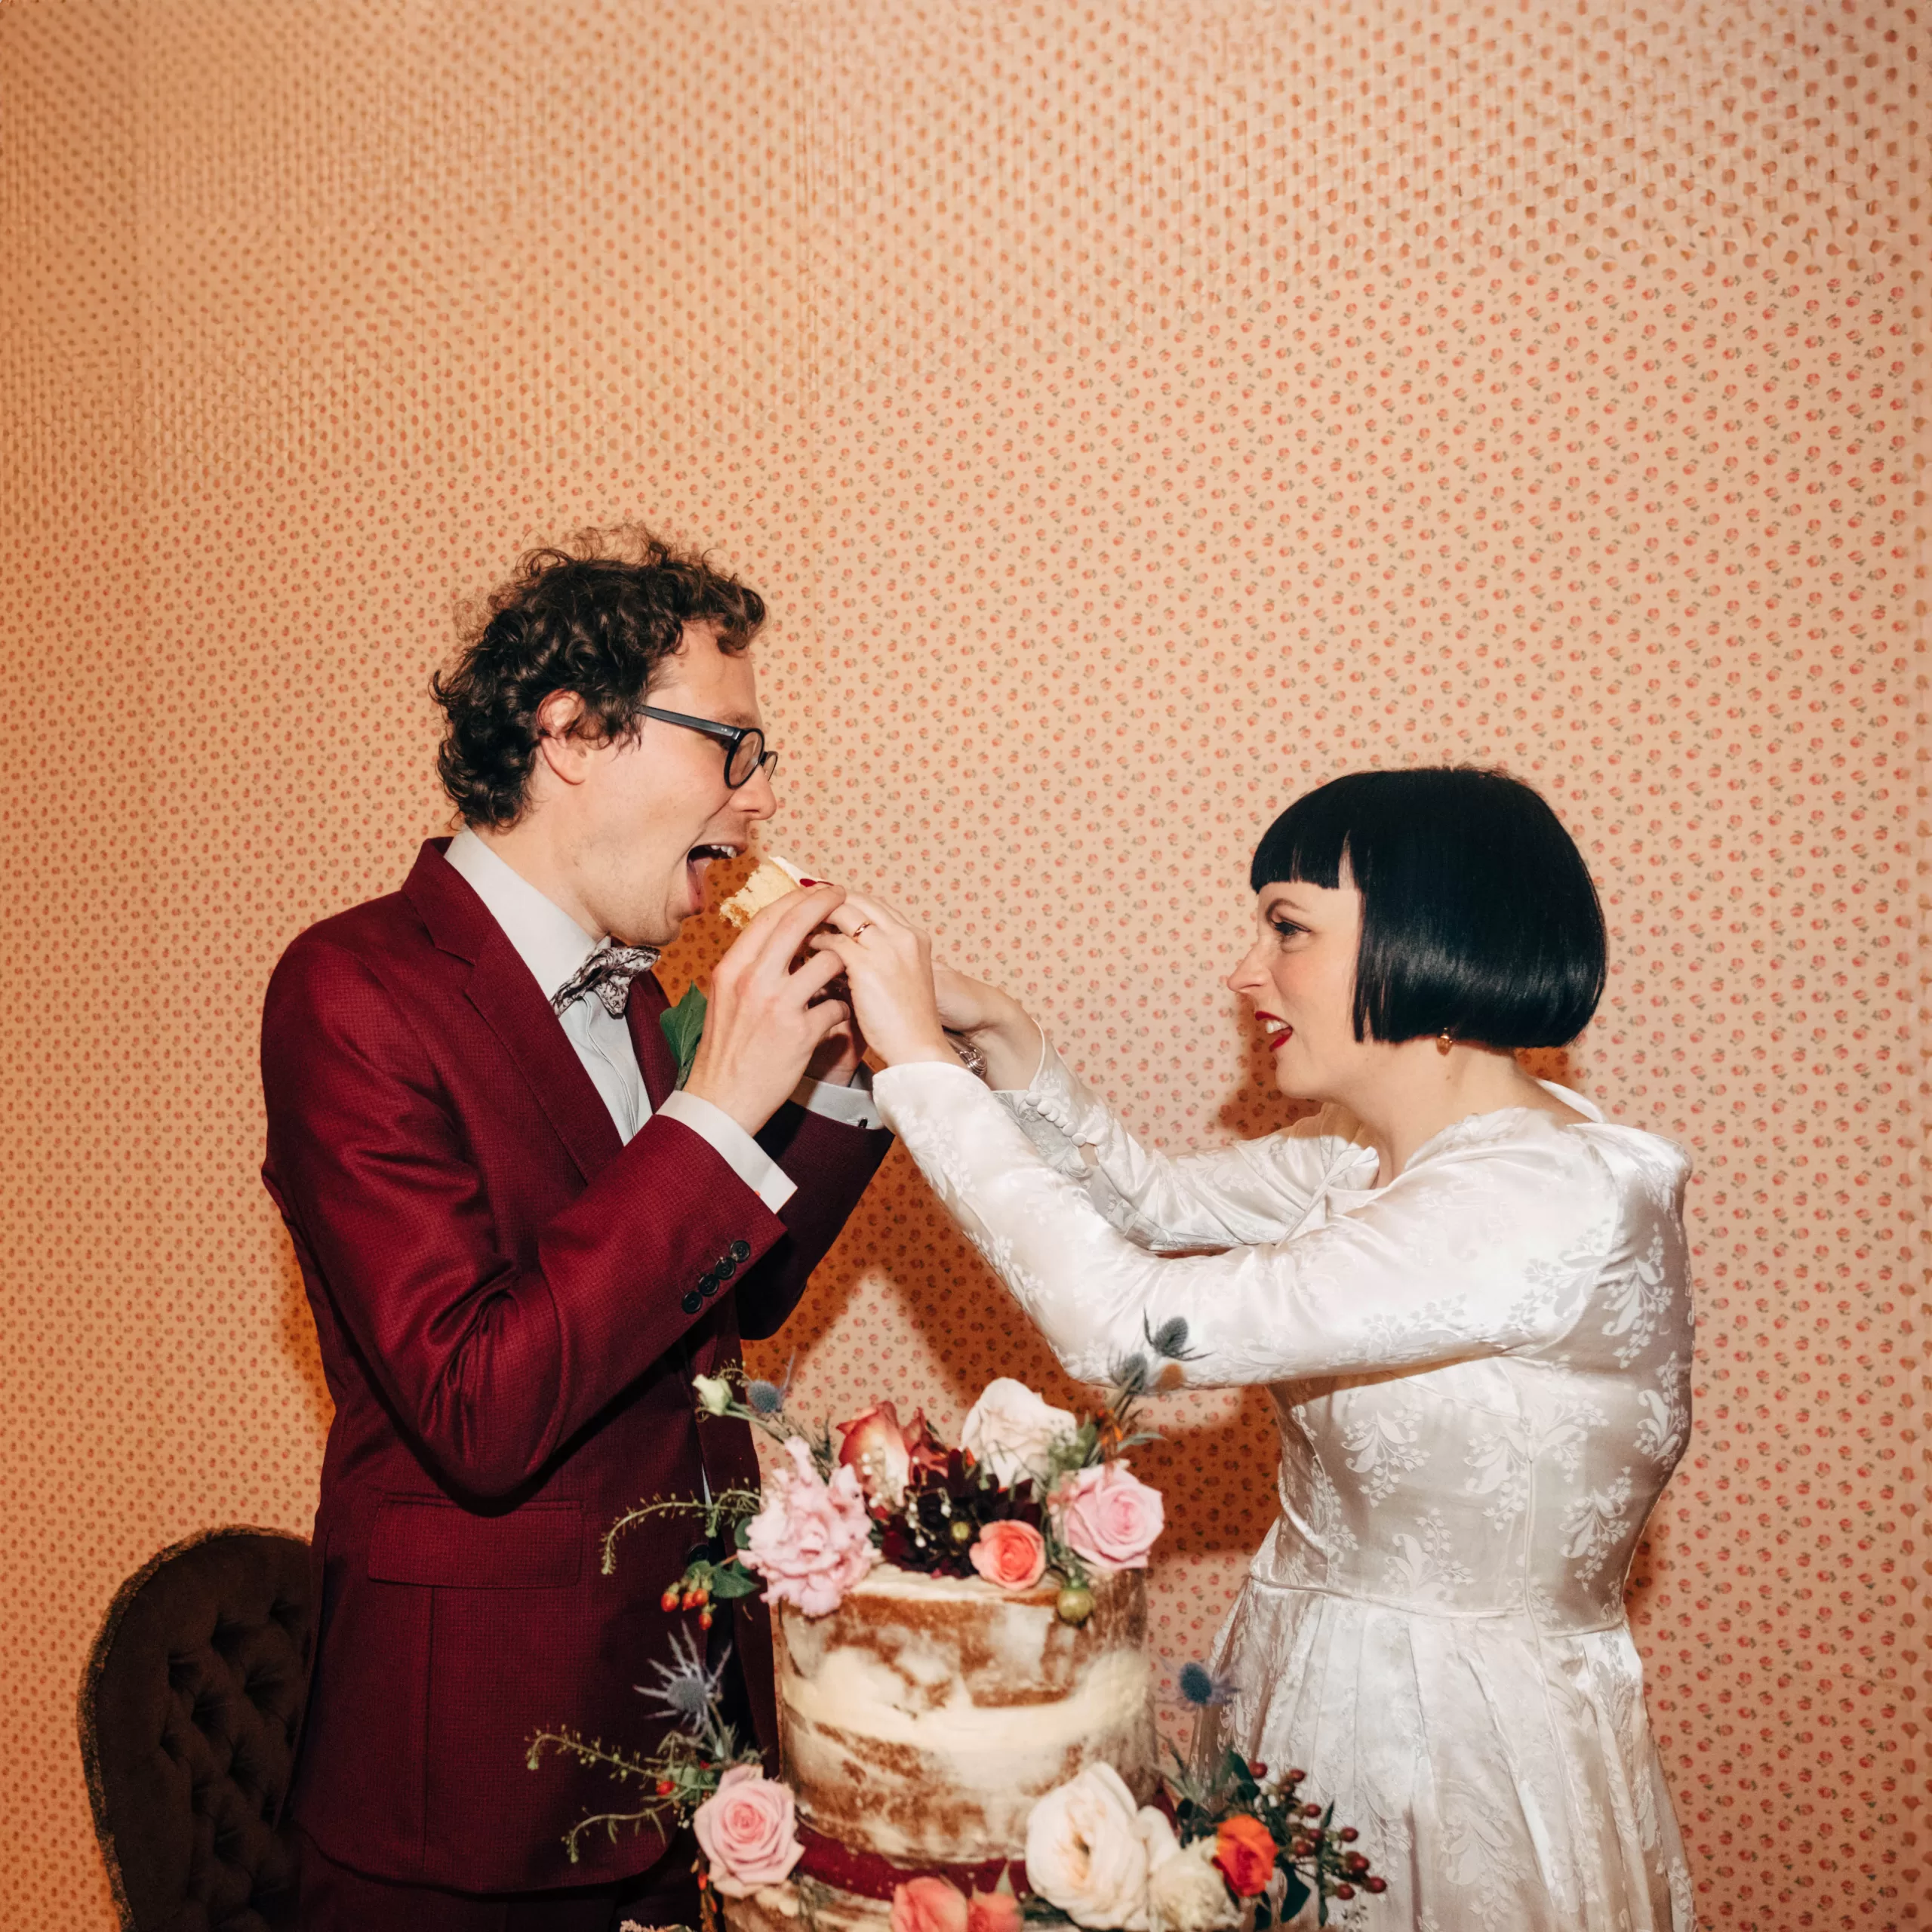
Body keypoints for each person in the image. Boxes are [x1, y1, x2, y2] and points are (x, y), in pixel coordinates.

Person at [815, 768, 1695, 1931]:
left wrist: (917, 1066)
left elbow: (1122, 1321)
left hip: (1456, 1743)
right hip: (1304, 1679)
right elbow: (1148, 1204)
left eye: (1287, 927)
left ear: (1431, 936)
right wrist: (999, 1036)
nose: (1246, 972)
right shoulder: (1370, 1155)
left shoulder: (1539, 1197)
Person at [260, 530, 891, 1930]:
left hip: (684, 1732)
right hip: (474, 1791)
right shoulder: (352, 989)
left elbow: (724, 1299)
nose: (764, 793)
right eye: (733, 743)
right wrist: (720, 1105)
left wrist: (842, 1090)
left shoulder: (629, 994)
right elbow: (476, 1398)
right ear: (571, 736)